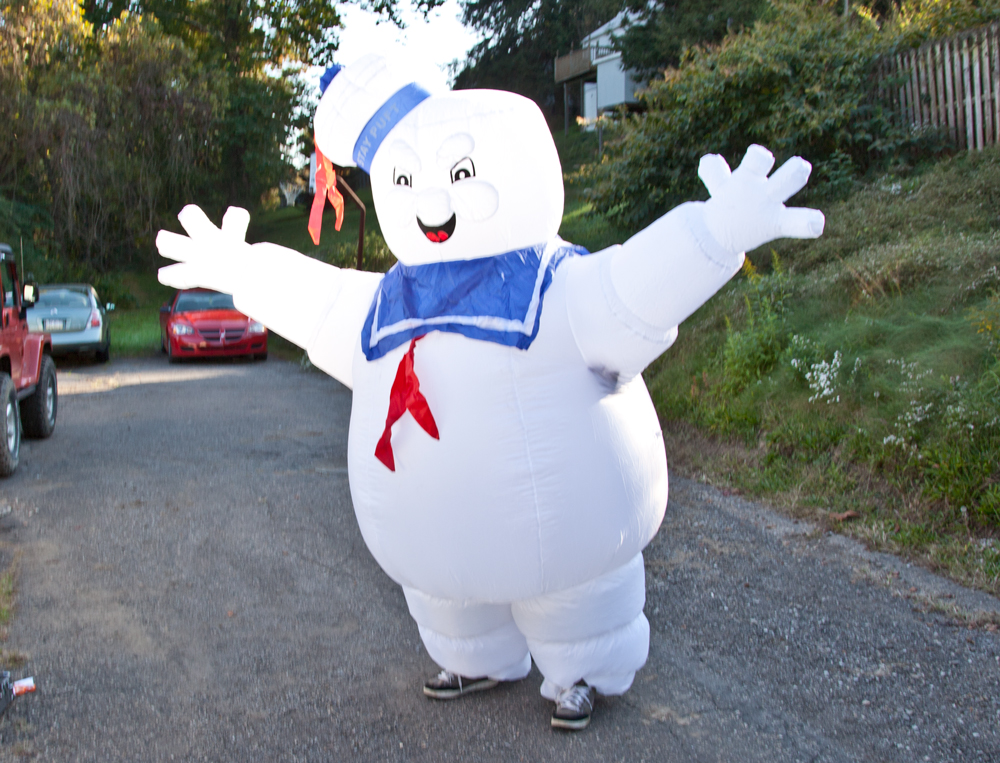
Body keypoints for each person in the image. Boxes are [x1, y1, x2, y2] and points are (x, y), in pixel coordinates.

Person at [157, 54, 824, 730]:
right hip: (431, 539)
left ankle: (583, 670)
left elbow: (640, 289)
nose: (434, 203)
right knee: (446, 595)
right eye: (409, 180)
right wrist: (240, 268)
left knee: (577, 591)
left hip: (569, 531)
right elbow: (317, 300)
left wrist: (712, 233)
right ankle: (472, 656)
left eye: (461, 174)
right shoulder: (387, 300)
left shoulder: (560, 286)